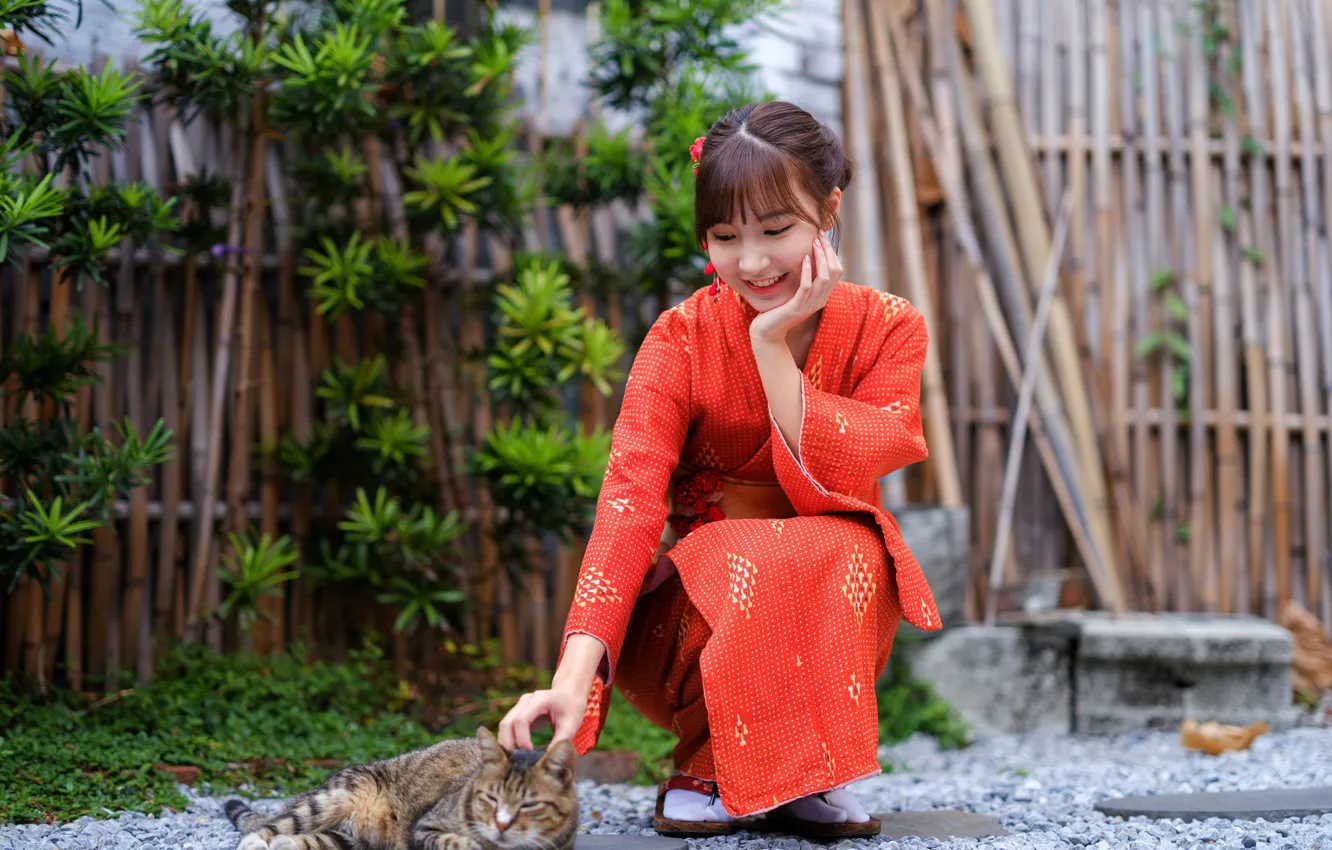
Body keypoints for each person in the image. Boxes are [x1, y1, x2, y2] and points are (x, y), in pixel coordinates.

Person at [497, 100, 941, 838]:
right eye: (727, 237)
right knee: (749, 554)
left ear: (829, 211)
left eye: (776, 231)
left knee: (846, 545)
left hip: (832, 590)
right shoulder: (679, 338)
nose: (754, 262)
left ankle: (805, 773)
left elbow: (875, 447)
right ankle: (706, 765)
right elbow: (630, 498)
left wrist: (771, 349)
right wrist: (572, 678)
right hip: (695, 609)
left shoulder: (890, 326)